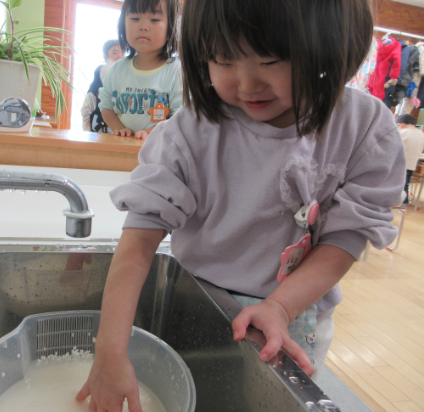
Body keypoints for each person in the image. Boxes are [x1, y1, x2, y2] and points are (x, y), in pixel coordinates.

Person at [76, 0, 406, 411]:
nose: (248, 84)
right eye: (223, 58)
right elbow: (139, 242)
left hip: (296, 313)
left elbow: (346, 237)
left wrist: (281, 306)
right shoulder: (189, 133)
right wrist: (110, 350)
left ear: (331, 44)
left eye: (271, 59)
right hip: (200, 305)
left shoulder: (362, 128)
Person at [97, 0, 182, 140]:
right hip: (123, 148)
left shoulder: (176, 71)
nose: (143, 26)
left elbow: (180, 116)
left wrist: (150, 133)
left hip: (161, 148)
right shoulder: (116, 70)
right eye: (135, 18)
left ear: (170, 30)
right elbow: (106, 106)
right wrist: (119, 129)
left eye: (154, 19)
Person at [80, 40, 124, 133]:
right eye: (115, 53)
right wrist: (96, 132)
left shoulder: (128, 80)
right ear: (105, 57)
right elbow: (86, 112)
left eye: (122, 53)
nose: (120, 56)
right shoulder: (96, 87)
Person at [396, 114, 424, 203]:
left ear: (400, 124)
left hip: (398, 165)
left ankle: (397, 203)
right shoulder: (421, 134)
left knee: (395, 185)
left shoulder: (402, 133)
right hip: (411, 164)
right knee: (405, 184)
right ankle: (404, 203)